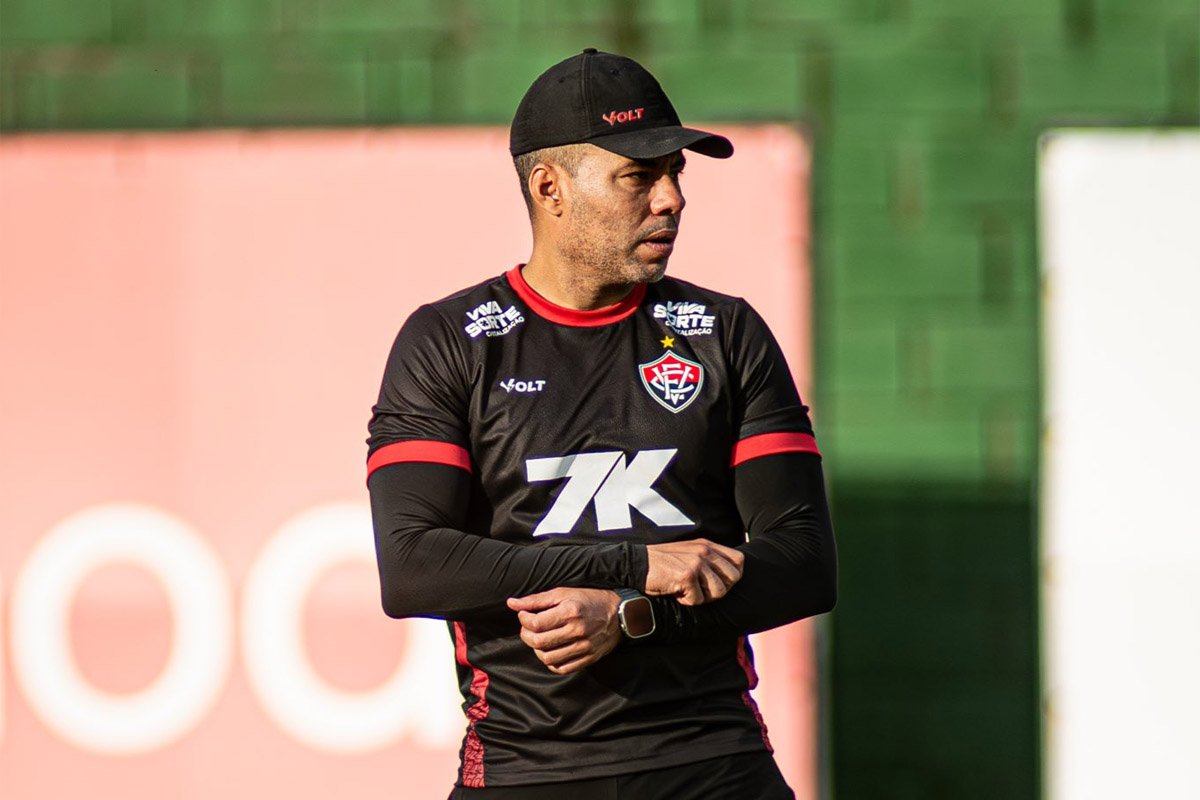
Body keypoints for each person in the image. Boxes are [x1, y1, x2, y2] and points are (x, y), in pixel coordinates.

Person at [367, 48, 836, 800]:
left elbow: (806, 564)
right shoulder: (448, 341)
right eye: (639, 175)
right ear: (549, 187)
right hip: (526, 770)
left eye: (677, 173)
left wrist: (632, 615)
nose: (672, 198)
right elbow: (413, 566)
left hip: (714, 764)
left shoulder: (727, 331)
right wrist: (632, 565)